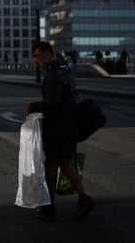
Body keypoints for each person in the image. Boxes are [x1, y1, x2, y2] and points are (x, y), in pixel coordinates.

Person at [27, 41, 94, 221]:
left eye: (38, 55)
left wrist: (32, 106)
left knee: (51, 164)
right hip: (71, 126)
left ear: (48, 54)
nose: (36, 60)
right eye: (35, 56)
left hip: (58, 129)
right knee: (66, 165)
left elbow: (53, 103)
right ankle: (83, 197)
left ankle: (49, 207)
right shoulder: (65, 70)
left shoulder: (51, 74)